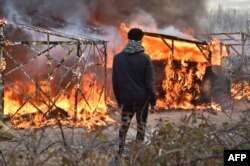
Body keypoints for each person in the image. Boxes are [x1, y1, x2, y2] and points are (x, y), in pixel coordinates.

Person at [112, 28, 156, 156]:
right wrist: (153, 100)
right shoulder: (145, 59)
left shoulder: (118, 58)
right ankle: (137, 153)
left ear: (128, 38)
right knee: (141, 126)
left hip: (127, 99)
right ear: (141, 39)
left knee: (124, 125)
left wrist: (119, 100)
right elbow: (149, 83)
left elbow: (115, 82)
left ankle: (119, 151)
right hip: (142, 100)